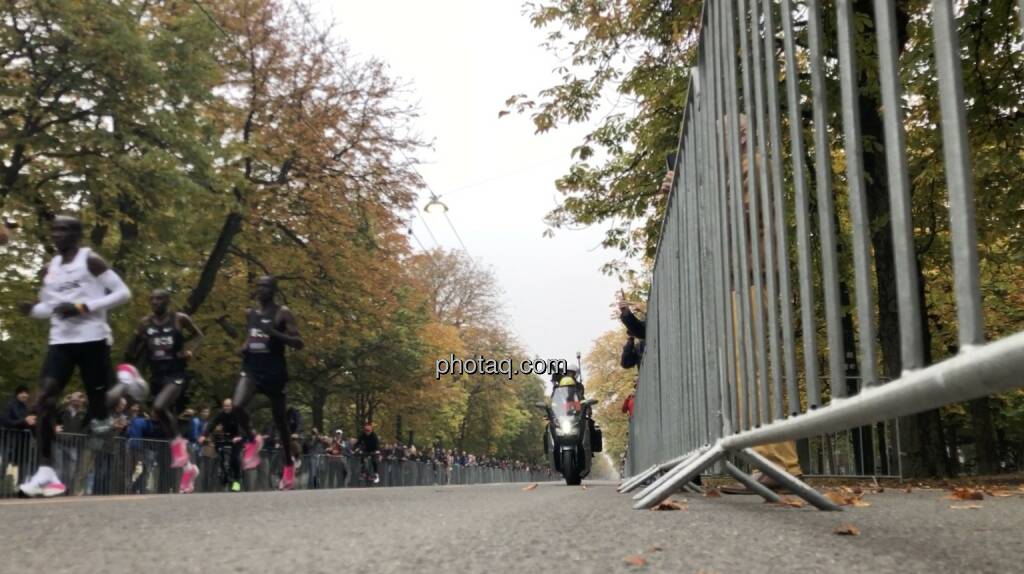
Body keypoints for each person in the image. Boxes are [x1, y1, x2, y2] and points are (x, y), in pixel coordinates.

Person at [17, 215, 131, 497]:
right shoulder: (50, 269)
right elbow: (51, 308)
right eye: (54, 229)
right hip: (61, 342)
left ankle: (126, 384)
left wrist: (83, 307)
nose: (57, 234)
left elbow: (123, 293)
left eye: (64, 229)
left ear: (77, 235)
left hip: (92, 339)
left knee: (99, 412)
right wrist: (33, 310)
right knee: (43, 400)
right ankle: (46, 472)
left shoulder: (90, 261)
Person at [121, 288, 204, 493]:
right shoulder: (144, 324)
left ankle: (179, 449)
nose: (155, 302)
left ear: (168, 301)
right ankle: (188, 467)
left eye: (159, 299)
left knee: (159, 405)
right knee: (159, 412)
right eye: (152, 299)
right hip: (156, 376)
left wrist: (190, 350)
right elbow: (132, 350)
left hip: (176, 374)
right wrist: (130, 364)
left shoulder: (179, 319)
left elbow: (199, 336)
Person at [226, 275, 304, 490]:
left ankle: (288, 465)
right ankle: (253, 438)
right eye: (259, 286)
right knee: (237, 405)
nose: (261, 290)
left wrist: (275, 334)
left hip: (274, 372)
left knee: (281, 423)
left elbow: (299, 343)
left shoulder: (282, 313)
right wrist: (244, 347)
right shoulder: (251, 314)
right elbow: (251, 337)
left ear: (274, 290)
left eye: (266, 286)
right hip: (252, 369)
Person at [199, 398, 244, 492]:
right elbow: (212, 424)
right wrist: (204, 435)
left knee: (234, 458)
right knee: (219, 450)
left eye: (228, 406)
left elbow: (241, 426)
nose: (226, 408)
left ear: (232, 406)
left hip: (238, 438)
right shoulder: (221, 414)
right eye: (225, 406)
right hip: (227, 437)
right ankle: (223, 470)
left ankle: (236, 481)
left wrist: (239, 436)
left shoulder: (237, 414)